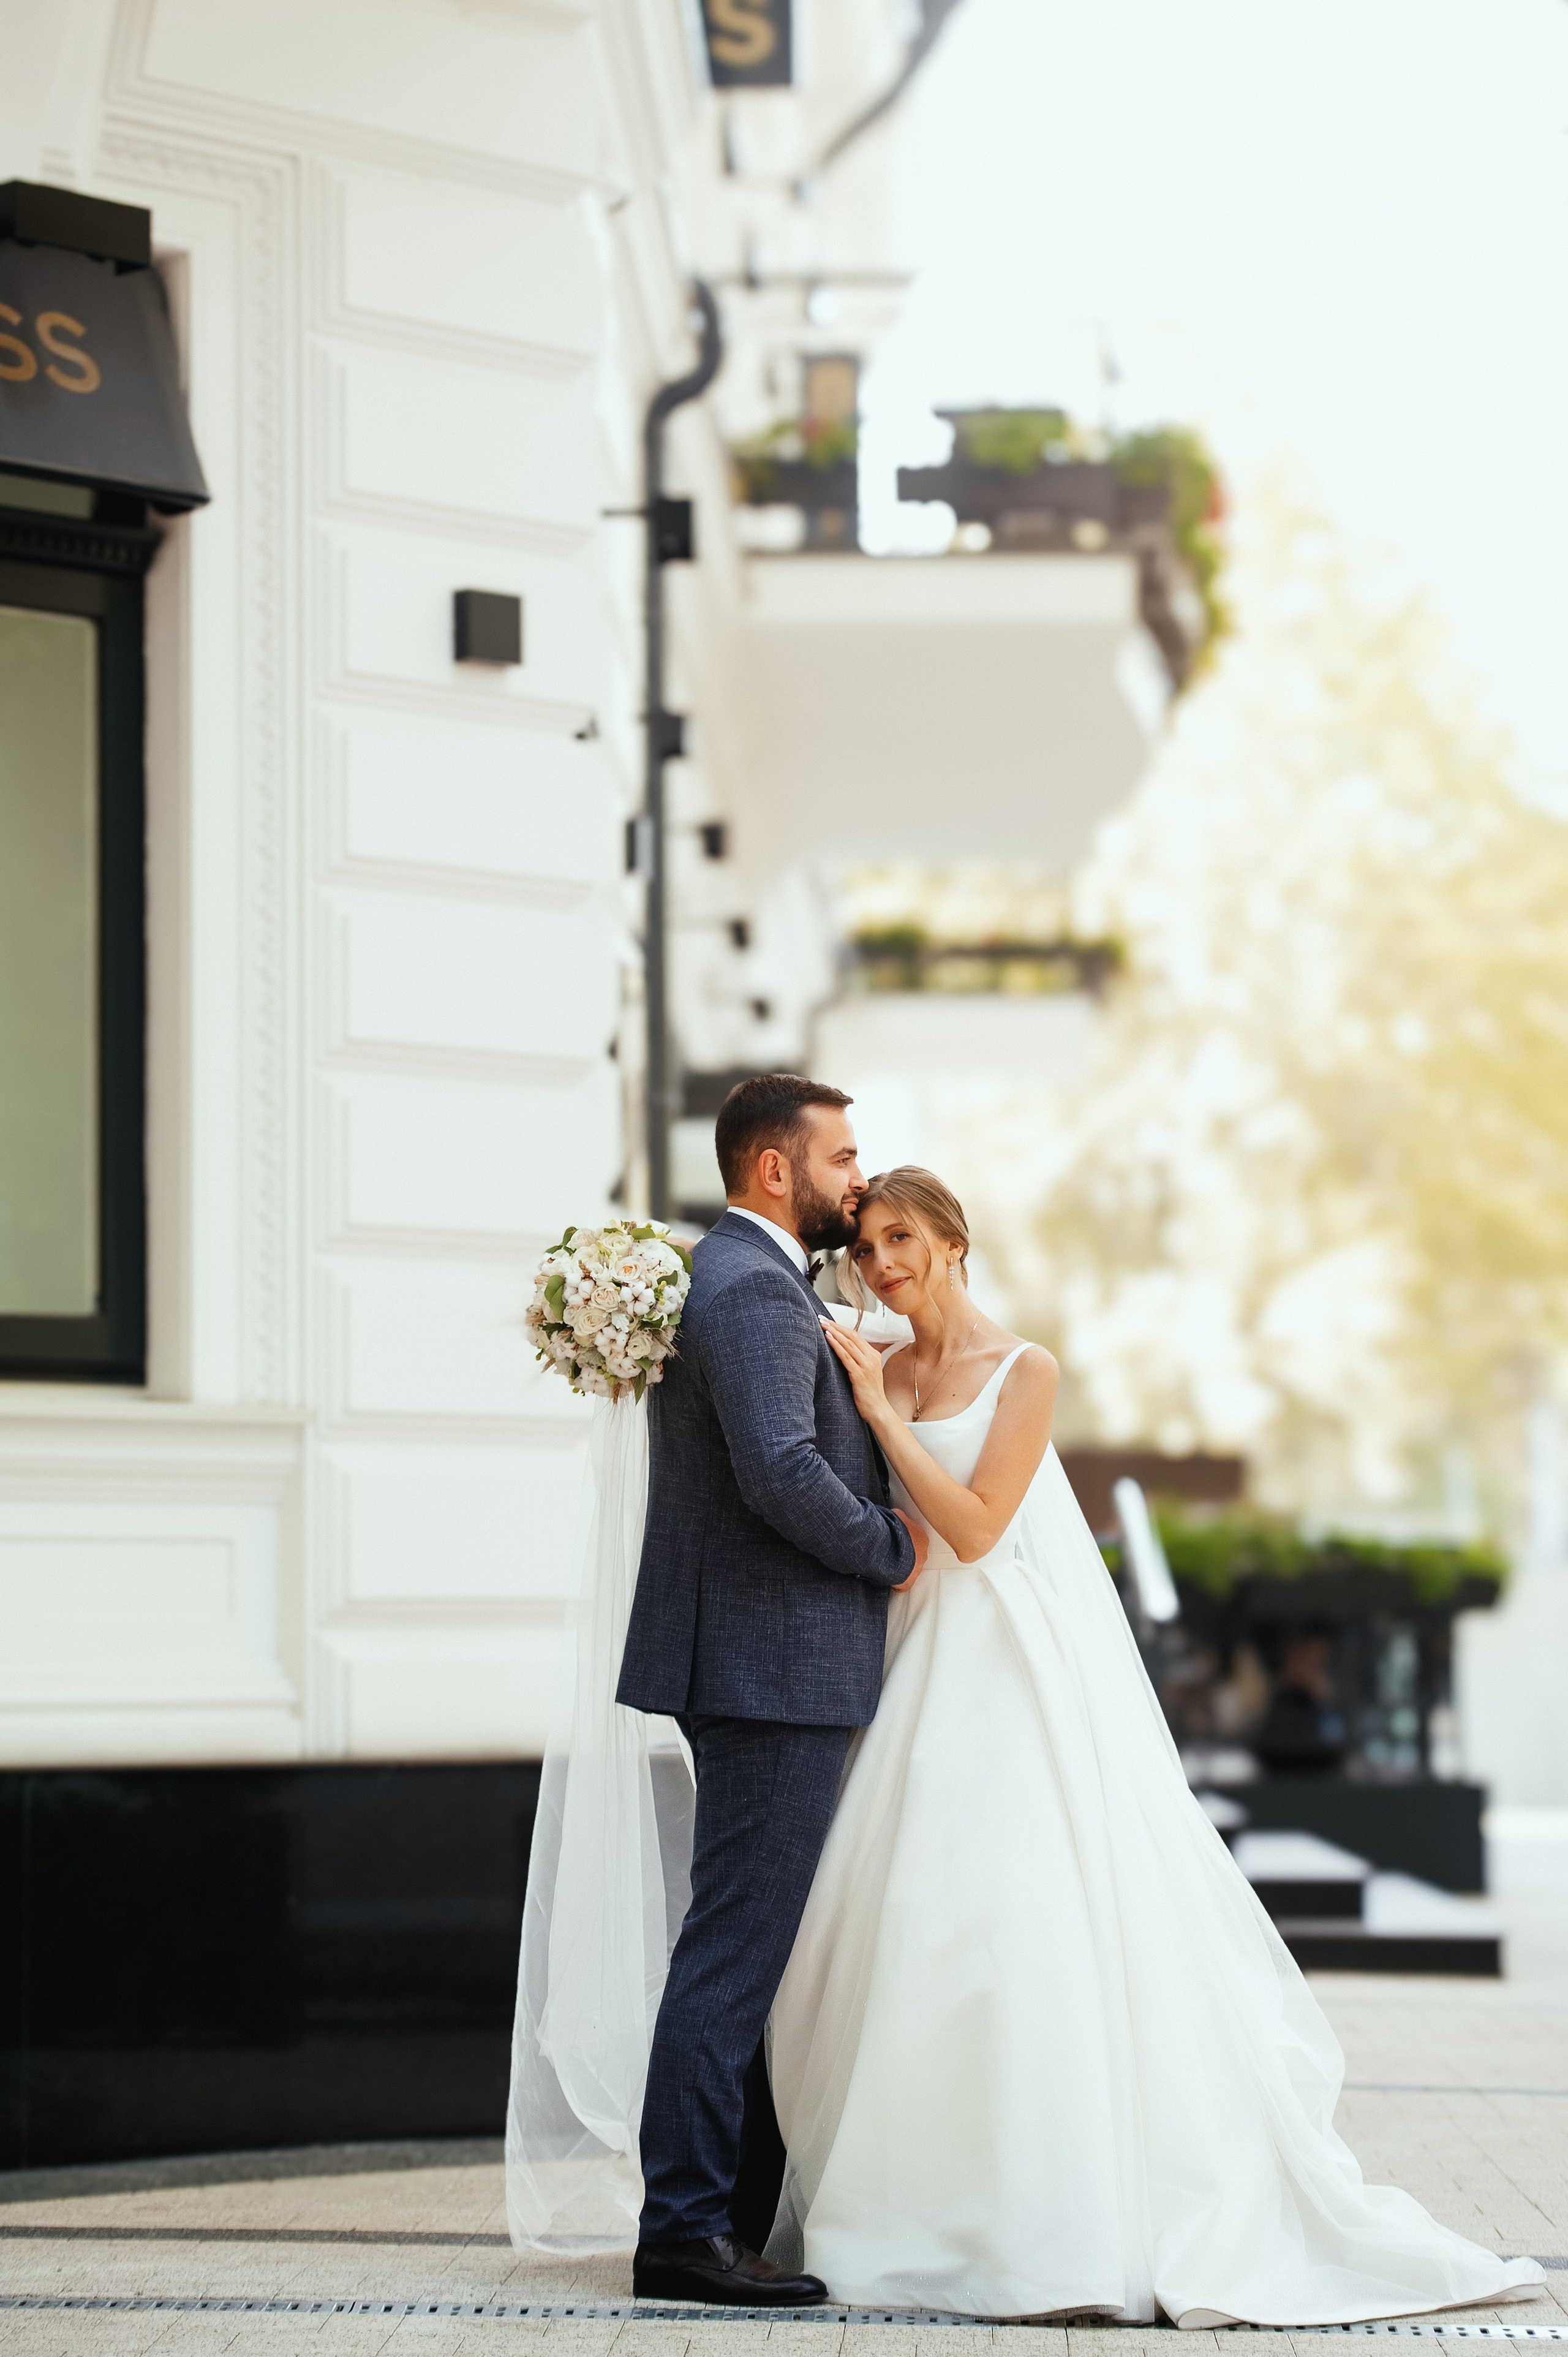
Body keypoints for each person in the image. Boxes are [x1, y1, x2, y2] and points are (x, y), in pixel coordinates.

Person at [764, 1163, 1546, 2328]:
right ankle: (922, 2206)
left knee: (1014, 1924)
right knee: (903, 1935)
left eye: (900, 1238)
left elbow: (976, 1530)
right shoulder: (871, 1346)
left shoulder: (1023, 1371)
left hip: (1005, 1667)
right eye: (866, 1246)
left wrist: (881, 1416)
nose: (882, 1264)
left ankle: (1055, 2221)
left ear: (952, 1239)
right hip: (906, 1658)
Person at [614, 1076, 928, 2309]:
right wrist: (892, 1547)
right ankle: (684, 2234)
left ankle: (727, 2219)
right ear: (773, 1172)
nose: (859, 1177)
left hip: (767, 1663)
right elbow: (779, 1474)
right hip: (769, 1671)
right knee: (732, 1955)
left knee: (749, 1949)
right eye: (842, 1156)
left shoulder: (759, 1280)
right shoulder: (748, 1290)